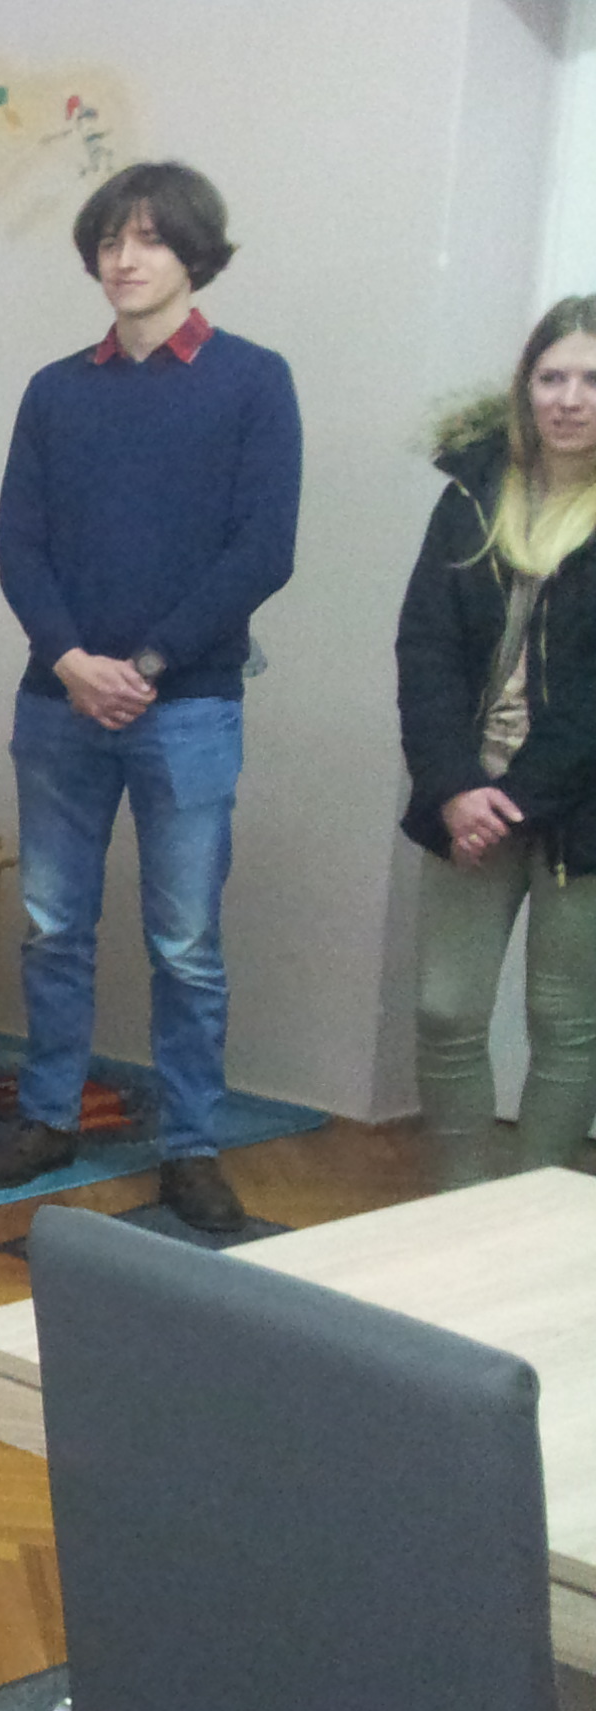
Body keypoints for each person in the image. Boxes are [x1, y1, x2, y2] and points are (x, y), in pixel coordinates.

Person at [0, 160, 302, 1231]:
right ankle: (50, 1114)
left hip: (190, 705)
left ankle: (192, 1145)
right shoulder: (56, 390)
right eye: (111, 241)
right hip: (57, 700)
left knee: (186, 943)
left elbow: (263, 550)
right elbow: (19, 545)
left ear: (193, 255)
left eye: (150, 239)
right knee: (52, 925)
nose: (126, 259)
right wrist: (72, 660)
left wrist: (148, 665)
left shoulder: (254, 381)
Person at [396, 296, 596, 1191]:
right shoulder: (471, 497)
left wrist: (512, 800)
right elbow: (427, 647)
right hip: (467, 794)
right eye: (552, 377)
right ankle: (460, 1208)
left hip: (578, 808)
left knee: (565, 1020)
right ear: (525, 389)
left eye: (592, 380)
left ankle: (533, 1217)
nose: (570, 399)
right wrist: (452, 785)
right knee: (446, 1009)